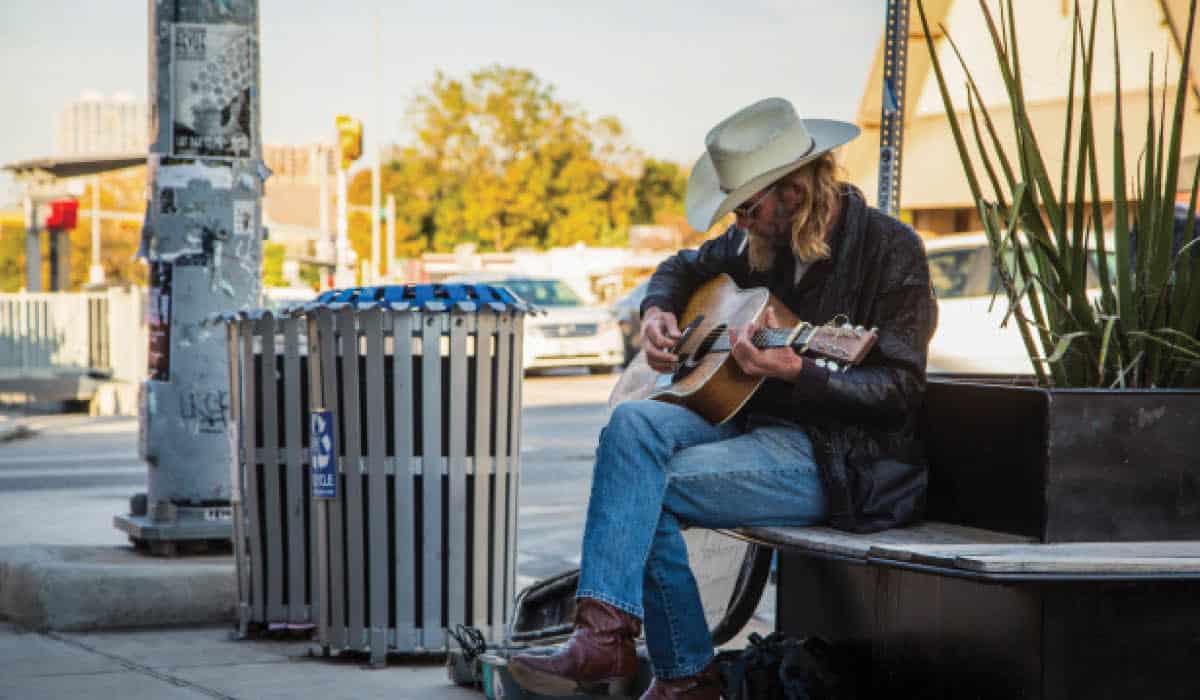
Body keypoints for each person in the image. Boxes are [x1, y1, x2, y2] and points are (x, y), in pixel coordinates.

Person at [509, 97, 938, 699]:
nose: (738, 221)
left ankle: (681, 674)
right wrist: (657, 311)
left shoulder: (890, 251)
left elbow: (898, 390)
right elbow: (681, 265)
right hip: (744, 427)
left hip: (841, 461)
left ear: (796, 190)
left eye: (748, 205)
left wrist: (799, 372)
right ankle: (610, 636)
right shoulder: (755, 244)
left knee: (643, 489)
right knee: (632, 426)